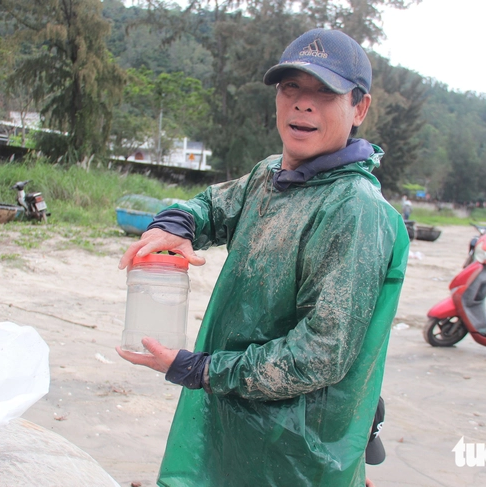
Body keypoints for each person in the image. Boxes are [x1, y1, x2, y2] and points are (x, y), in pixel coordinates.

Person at [116, 28, 409, 486]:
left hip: (298, 450)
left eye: (325, 93)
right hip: (234, 424)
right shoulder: (271, 175)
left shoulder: (355, 210)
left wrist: (203, 369)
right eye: (291, 87)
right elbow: (214, 206)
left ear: (359, 108)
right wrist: (177, 222)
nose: (303, 103)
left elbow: (319, 354)